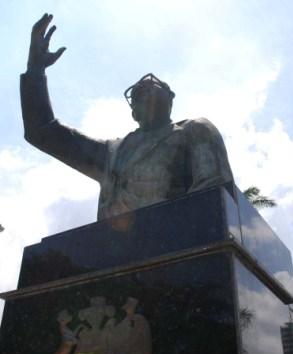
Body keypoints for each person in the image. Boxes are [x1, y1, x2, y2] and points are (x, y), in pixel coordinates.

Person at [21, 13, 234, 221]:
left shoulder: (194, 131)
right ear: (134, 112)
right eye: (139, 93)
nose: (145, 88)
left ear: (170, 99)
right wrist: (35, 70)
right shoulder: (111, 152)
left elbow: (214, 197)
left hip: (177, 247)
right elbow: (43, 132)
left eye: (154, 86)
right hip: (111, 250)